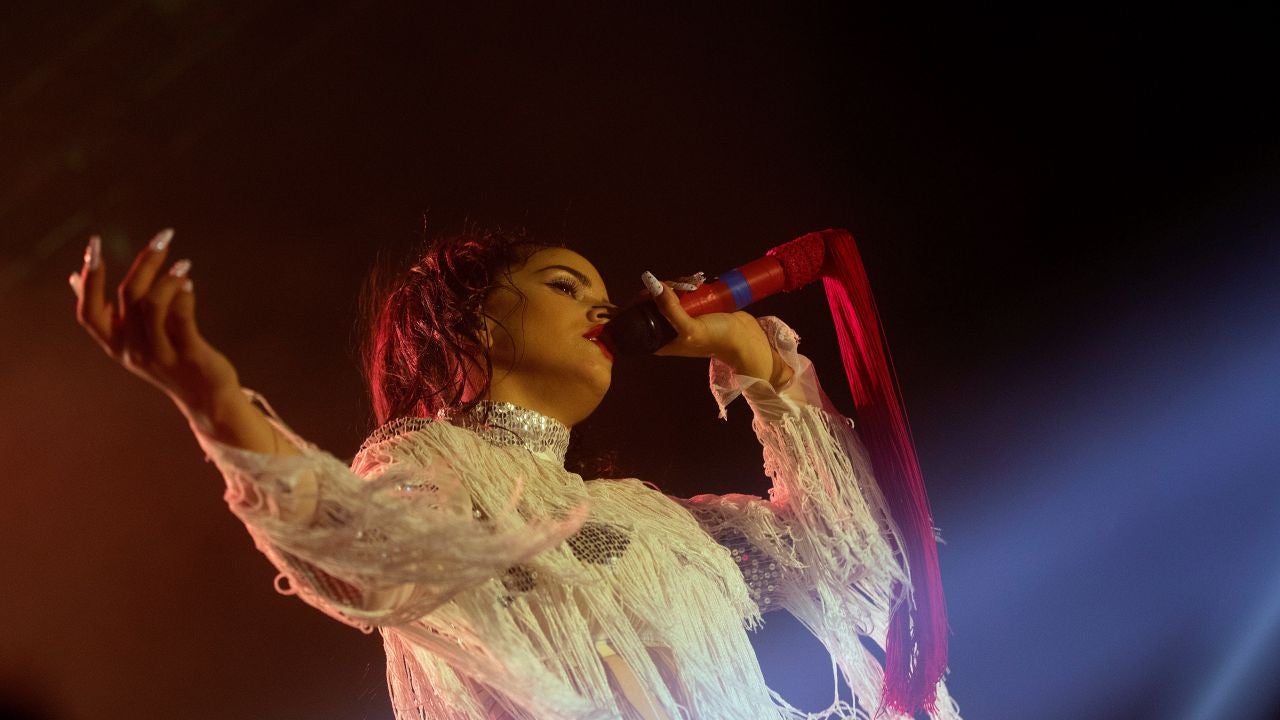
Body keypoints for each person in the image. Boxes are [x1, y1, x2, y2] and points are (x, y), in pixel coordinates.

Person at [69, 226, 961, 719]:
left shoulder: (654, 524)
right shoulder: (428, 463)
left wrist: (761, 366)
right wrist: (215, 398)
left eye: (603, 297)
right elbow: (359, 547)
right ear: (472, 322)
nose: (603, 310)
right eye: (566, 286)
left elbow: (855, 562)